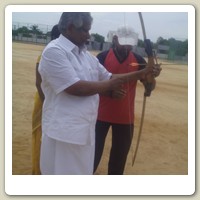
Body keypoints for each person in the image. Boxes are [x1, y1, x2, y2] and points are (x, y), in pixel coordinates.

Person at [38, 12, 160, 175]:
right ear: (69, 28)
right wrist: (109, 87)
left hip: (86, 129)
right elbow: (75, 87)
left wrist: (143, 73)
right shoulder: (54, 51)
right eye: (85, 31)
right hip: (64, 133)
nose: (89, 36)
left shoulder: (85, 56)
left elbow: (109, 77)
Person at [93, 27, 161, 175]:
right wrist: (109, 92)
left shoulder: (138, 60)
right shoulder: (102, 57)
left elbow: (149, 87)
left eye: (130, 44)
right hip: (99, 116)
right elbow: (91, 86)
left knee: (118, 163)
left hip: (125, 118)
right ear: (115, 39)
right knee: (91, 156)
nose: (127, 47)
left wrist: (152, 77)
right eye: (124, 43)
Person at [32, 24, 60, 175]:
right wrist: (47, 103)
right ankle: (38, 172)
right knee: (41, 137)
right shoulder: (45, 54)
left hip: (53, 102)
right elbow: (38, 83)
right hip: (44, 101)